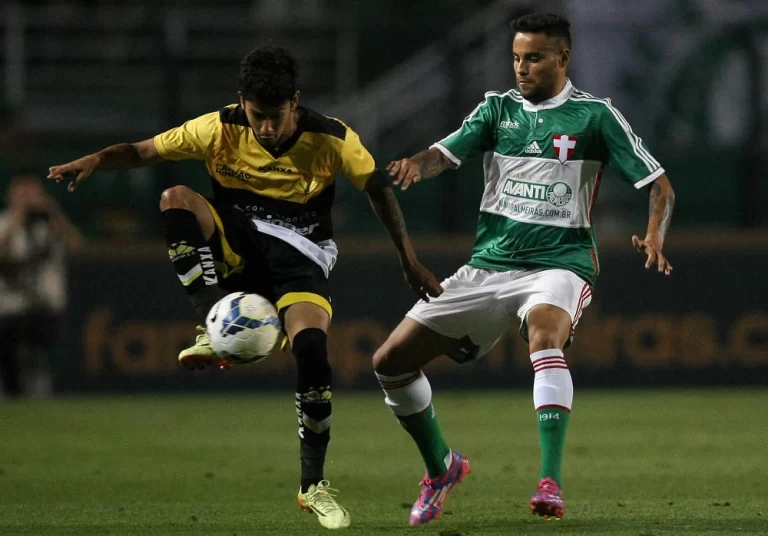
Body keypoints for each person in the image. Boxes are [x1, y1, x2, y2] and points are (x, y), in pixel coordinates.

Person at [47, 45, 441, 530]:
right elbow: (143, 151)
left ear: (295, 102)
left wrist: (410, 259)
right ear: (241, 101)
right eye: (259, 116)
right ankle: (212, 320)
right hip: (238, 243)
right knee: (175, 199)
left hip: (304, 256)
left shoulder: (333, 138)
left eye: (277, 116)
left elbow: (378, 187)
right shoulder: (218, 128)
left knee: (314, 351)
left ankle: (312, 485)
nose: (269, 128)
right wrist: (95, 159)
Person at [372, 12, 676, 526]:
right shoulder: (496, 111)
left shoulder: (595, 116)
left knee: (544, 337)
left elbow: (660, 187)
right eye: (515, 58)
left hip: (561, 264)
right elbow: (443, 156)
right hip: (489, 267)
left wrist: (654, 235)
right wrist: (413, 166)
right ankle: (442, 467)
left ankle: (550, 482)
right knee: (390, 363)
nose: (521, 68)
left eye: (533, 57)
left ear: (563, 57)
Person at [0, 171, 83, 398]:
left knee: (52, 355)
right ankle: (12, 392)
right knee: (10, 357)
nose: (27, 200)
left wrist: (54, 213)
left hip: (47, 304)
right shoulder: (5, 222)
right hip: (11, 305)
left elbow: (77, 246)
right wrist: (17, 218)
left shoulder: (51, 225)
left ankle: (52, 391)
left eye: (31, 194)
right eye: (21, 195)